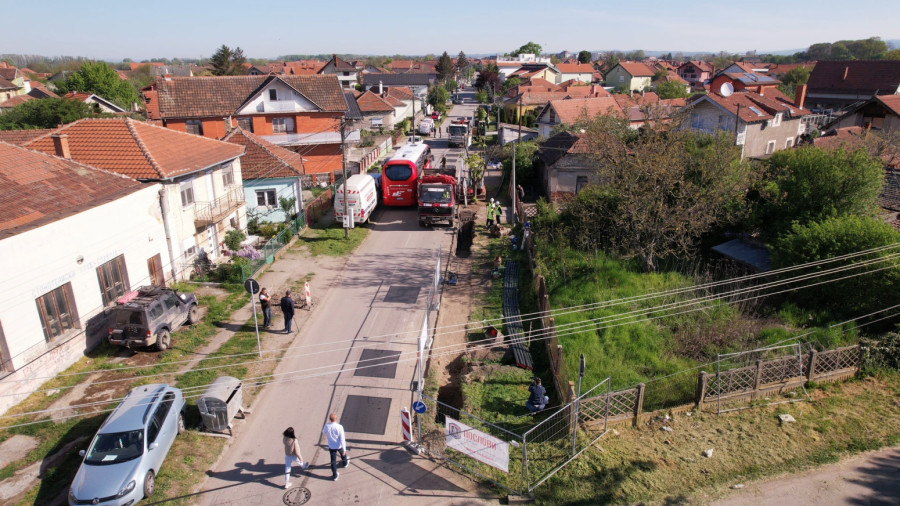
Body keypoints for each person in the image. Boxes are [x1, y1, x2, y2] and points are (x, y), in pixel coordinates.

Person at [322, 413, 349, 481]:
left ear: (330, 419)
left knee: (333, 461)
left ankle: (335, 475)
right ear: (336, 419)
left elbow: (323, 432)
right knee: (343, 455)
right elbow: (342, 439)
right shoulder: (339, 427)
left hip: (331, 446)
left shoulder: (327, 426)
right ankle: (345, 463)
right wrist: (344, 449)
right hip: (339, 445)